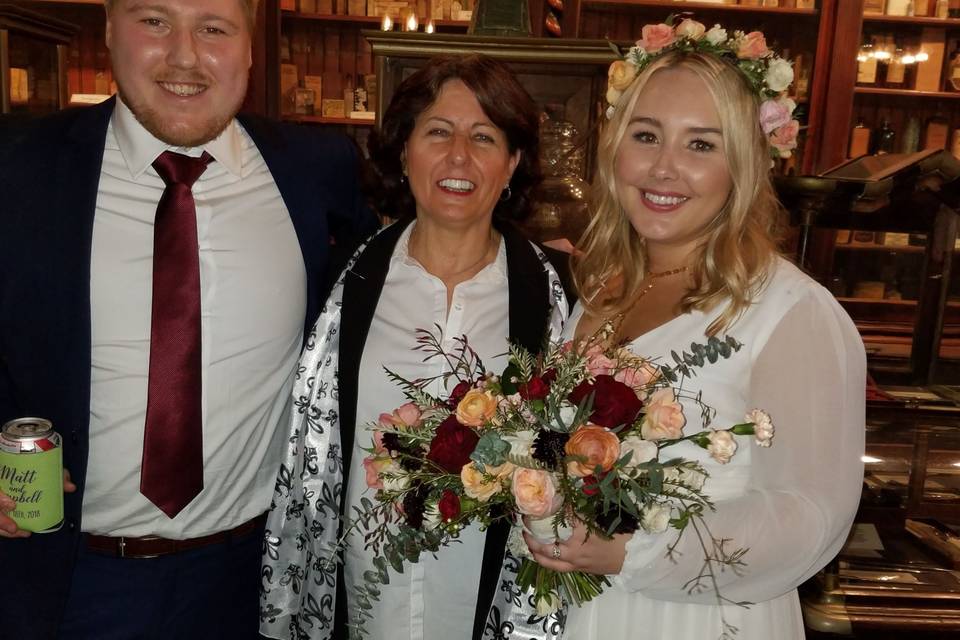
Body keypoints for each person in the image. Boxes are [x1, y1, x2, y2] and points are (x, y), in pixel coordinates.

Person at [0, 0, 375, 638]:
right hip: (68, 581)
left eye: (213, 28)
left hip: (253, 577)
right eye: (154, 21)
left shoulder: (315, 170)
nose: (183, 55)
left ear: (250, 52)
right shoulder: (19, 168)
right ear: (111, 31)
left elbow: (395, 276)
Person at [519, 19, 866, 640]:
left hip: (703, 618)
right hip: (585, 611)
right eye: (646, 135)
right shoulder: (599, 293)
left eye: (701, 145)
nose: (663, 168)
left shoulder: (792, 312)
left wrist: (635, 554)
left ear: (745, 164)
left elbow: (811, 516)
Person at [260, 54, 569, 640]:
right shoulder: (337, 284)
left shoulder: (559, 294)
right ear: (404, 153)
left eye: (485, 136)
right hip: (367, 591)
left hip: (490, 595)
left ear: (512, 163)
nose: (459, 156)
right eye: (437, 132)